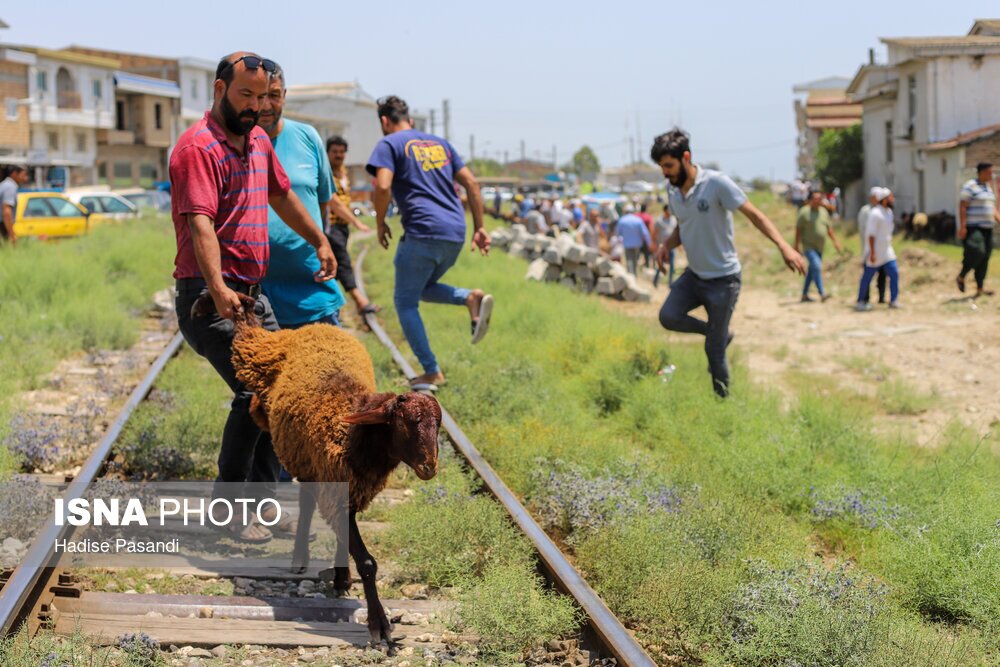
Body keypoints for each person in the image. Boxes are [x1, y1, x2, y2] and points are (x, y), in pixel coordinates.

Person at [170, 52, 336, 542]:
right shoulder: (197, 148)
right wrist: (218, 287)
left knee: (275, 394)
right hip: (207, 296)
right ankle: (230, 512)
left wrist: (320, 240)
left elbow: (282, 196)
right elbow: (200, 222)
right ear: (220, 90)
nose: (256, 106)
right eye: (246, 95)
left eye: (264, 97)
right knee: (252, 394)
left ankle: (262, 508)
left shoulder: (260, 140)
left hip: (252, 297)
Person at [652, 128, 804, 397]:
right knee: (669, 316)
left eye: (669, 165)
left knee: (713, 350)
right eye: (662, 167)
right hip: (694, 276)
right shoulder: (673, 191)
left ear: (685, 157)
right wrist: (665, 245)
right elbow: (682, 227)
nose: (665, 172)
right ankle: (718, 333)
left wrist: (784, 246)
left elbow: (755, 215)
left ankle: (723, 406)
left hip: (723, 281)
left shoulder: (717, 184)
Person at [367, 95, 493, 392]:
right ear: (409, 118)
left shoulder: (389, 144)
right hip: (455, 232)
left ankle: (431, 370)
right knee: (421, 289)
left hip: (422, 231)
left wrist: (380, 220)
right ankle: (469, 298)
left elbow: (383, 185)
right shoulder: (441, 144)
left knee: (404, 301)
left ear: (385, 121)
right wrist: (481, 228)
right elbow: (472, 184)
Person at [257, 63, 347, 330]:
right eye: (259, 96)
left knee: (331, 369)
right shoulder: (237, 144)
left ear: (284, 95)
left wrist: (317, 243)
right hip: (257, 293)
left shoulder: (308, 137)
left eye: (273, 95)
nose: (266, 105)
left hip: (313, 288)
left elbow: (322, 205)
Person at [323, 135, 382, 317]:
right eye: (335, 152)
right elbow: (334, 203)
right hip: (329, 225)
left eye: (342, 152)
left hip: (342, 227)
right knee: (342, 262)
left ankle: (334, 307)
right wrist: (356, 221)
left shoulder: (344, 173)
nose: (338, 155)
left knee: (336, 265)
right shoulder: (326, 173)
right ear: (328, 152)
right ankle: (360, 302)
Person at [957, 162, 1000, 297]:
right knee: (977, 252)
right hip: (974, 227)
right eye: (989, 172)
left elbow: (992, 208)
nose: (991, 175)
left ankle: (980, 288)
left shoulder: (988, 188)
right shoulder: (970, 186)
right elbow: (963, 206)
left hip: (988, 228)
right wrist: (962, 227)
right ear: (981, 172)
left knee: (985, 256)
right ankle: (962, 275)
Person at [855, 187, 900, 311]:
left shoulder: (888, 213)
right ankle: (860, 301)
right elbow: (871, 235)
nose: (893, 199)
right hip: (875, 251)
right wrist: (873, 253)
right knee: (867, 277)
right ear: (884, 200)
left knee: (894, 273)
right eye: (890, 197)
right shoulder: (875, 214)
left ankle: (894, 300)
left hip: (887, 250)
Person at [795, 189, 843, 302]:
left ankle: (804, 294)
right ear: (810, 200)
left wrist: (835, 241)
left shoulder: (823, 212)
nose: (817, 201)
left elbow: (828, 229)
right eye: (815, 198)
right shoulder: (804, 212)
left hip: (820, 247)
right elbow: (798, 230)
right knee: (816, 266)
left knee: (812, 270)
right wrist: (796, 246)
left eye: (819, 198)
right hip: (808, 246)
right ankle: (822, 292)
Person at [857, 186, 887, 304]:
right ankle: (865, 298)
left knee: (883, 274)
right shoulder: (865, 211)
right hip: (869, 248)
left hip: (882, 248)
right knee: (868, 274)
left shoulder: (884, 211)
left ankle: (882, 297)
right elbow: (864, 231)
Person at [617, 203, 653, 275]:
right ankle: (634, 275)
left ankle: (631, 275)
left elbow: (618, 233)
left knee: (629, 260)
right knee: (635, 260)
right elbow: (645, 233)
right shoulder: (638, 220)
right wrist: (649, 243)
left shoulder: (622, 220)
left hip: (627, 244)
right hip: (637, 244)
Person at [0, 165, 28, 245]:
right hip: (2, 224)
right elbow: (7, 212)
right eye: (24, 175)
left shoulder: (3, 185)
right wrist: (12, 234)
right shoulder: (10, 187)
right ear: (14, 174)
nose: (26, 178)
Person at [653, 202, 677, 287]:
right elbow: (655, 234)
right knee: (660, 264)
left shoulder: (674, 220)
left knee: (672, 265)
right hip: (662, 246)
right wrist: (655, 246)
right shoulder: (659, 221)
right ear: (664, 211)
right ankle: (655, 281)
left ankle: (670, 283)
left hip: (672, 247)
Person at [636, 202, 656, 268]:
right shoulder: (647, 217)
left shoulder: (636, 216)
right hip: (645, 238)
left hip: (637, 237)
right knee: (646, 253)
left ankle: (636, 267)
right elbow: (651, 228)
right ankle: (646, 266)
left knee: (637, 254)